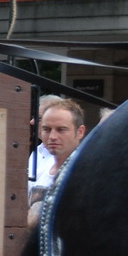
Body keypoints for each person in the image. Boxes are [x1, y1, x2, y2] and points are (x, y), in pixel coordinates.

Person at [26, 97, 87, 226]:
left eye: (61, 130)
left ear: (80, 132)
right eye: (46, 129)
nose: (52, 137)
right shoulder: (38, 156)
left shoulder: (87, 169)